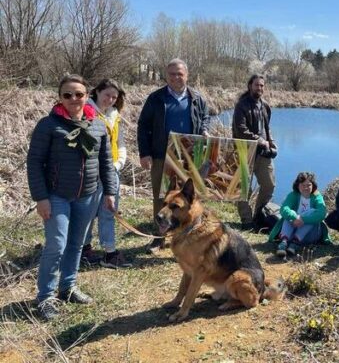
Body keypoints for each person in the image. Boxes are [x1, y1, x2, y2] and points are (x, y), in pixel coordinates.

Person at [27, 75, 117, 321]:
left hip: (88, 195)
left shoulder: (98, 125)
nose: (74, 99)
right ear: (60, 97)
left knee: (77, 244)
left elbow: (106, 163)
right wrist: (41, 198)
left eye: (78, 94)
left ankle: (67, 287)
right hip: (56, 195)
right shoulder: (48, 125)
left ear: (87, 95)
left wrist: (109, 192)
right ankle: (45, 296)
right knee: (56, 244)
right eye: (67, 95)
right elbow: (34, 163)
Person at [137, 59, 212, 253]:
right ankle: (158, 239)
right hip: (163, 155)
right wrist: (145, 153)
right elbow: (143, 126)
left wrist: (204, 129)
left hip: (190, 157)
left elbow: (205, 117)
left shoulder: (197, 98)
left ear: (187, 75)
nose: (176, 77)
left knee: (188, 199)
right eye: (172, 74)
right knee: (161, 196)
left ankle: (188, 236)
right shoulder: (155, 98)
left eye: (179, 74)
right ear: (166, 75)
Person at [81, 79, 132, 269]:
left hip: (112, 171)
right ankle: (84, 249)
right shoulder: (86, 111)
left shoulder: (114, 115)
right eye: (107, 95)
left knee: (108, 211)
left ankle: (109, 252)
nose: (110, 100)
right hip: (92, 172)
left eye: (114, 97)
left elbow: (120, 143)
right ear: (97, 92)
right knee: (87, 212)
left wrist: (118, 164)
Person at [232, 74, 277, 230]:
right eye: (257, 85)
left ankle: (260, 216)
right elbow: (241, 129)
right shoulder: (241, 106)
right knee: (244, 187)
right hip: (245, 152)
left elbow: (267, 127)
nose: (260, 88)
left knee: (269, 185)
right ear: (250, 86)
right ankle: (247, 220)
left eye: (262, 85)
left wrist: (271, 142)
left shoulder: (265, 106)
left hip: (263, 153)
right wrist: (259, 140)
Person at [268, 172, 330, 257]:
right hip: (292, 232)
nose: (306, 188)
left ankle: (295, 242)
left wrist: (302, 219)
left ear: (313, 185)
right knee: (290, 213)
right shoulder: (293, 195)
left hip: (311, 234)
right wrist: (294, 218)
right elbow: (284, 209)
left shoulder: (317, 196)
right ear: (298, 185)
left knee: (311, 212)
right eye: (302, 185)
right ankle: (284, 243)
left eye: (308, 185)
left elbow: (321, 213)